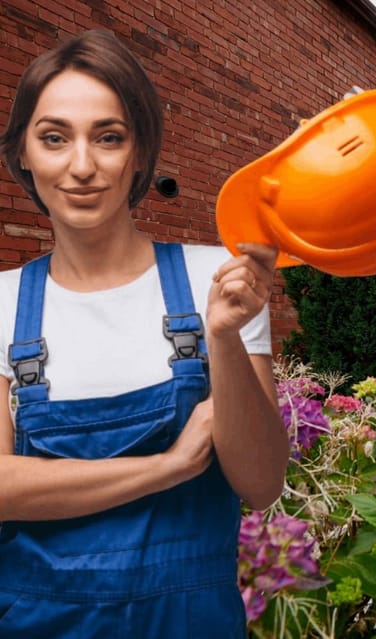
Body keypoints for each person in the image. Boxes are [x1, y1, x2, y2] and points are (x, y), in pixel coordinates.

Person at [0, 30, 289, 637]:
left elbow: (262, 484)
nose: (82, 166)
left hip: (193, 621)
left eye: (109, 137)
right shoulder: (1, 302)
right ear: (23, 153)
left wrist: (225, 338)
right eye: (54, 138)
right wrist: (172, 464)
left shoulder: (218, 278)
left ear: (138, 154)